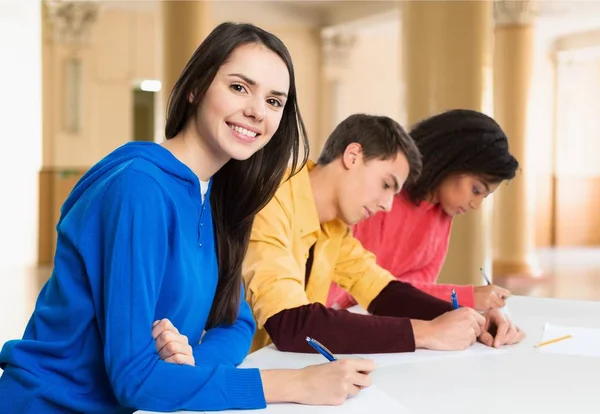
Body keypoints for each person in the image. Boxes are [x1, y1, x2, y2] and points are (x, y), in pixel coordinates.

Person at [0, 22, 374, 414]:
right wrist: (296, 383)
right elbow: (136, 380)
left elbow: (238, 323)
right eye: (239, 87)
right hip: (47, 405)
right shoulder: (139, 187)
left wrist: (191, 364)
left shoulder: (216, 195)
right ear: (195, 87)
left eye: (274, 101)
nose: (256, 111)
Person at [241, 113, 525, 355]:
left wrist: (474, 320)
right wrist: (425, 333)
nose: (387, 205)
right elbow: (291, 324)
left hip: (277, 364)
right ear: (353, 156)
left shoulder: (333, 226)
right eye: (386, 184)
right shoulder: (272, 197)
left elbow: (383, 291)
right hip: (237, 371)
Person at [328, 109, 517, 312]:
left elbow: (414, 292)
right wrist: (464, 297)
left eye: (483, 196)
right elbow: (364, 287)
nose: (475, 205)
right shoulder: (379, 200)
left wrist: (471, 308)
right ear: (451, 161)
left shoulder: (441, 214)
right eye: (476, 190)